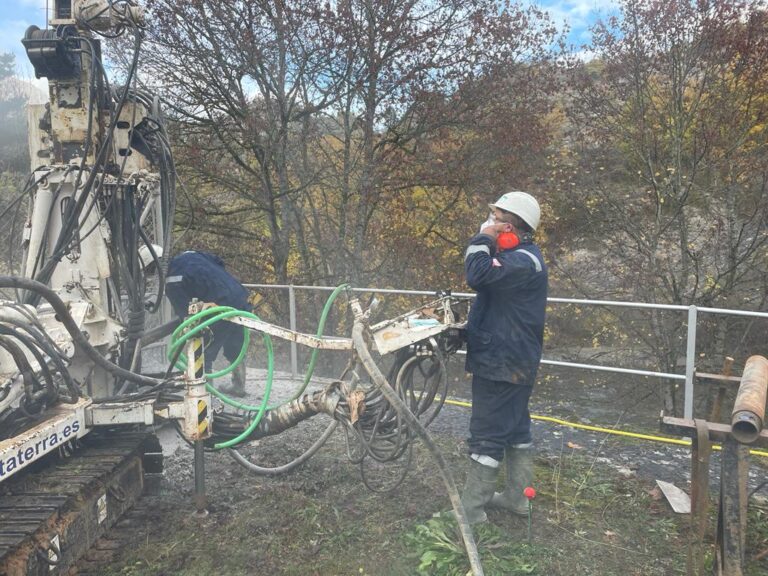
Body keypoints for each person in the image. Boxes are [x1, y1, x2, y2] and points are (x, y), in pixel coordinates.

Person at [460, 191, 548, 524]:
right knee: (515, 428)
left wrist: (482, 237)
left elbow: (477, 275)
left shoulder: (524, 262)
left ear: (508, 227)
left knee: (487, 434)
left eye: (494, 219)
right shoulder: (520, 258)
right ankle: (515, 498)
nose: (489, 223)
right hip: (509, 358)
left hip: (504, 363)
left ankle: (471, 512)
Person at [141, 247, 251, 397]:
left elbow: (187, 317)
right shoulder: (191, 254)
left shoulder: (172, 281)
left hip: (219, 307)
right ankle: (239, 386)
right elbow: (218, 262)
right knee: (235, 345)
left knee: (203, 351)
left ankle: (204, 392)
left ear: (153, 267)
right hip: (239, 297)